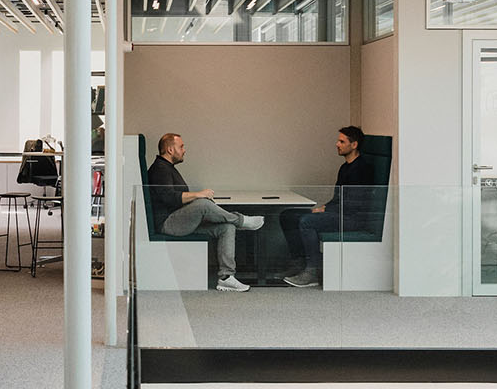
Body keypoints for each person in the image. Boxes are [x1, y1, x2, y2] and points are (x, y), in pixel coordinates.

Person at [146, 132, 263, 291]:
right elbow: (169, 197)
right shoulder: (160, 169)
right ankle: (241, 220)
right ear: (170, 150)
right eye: (181, 146)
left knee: (226, 227)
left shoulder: (168, 168)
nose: (184, 150)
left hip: (180, 221)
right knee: (203, 204)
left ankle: (226, 277)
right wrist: (198, 195)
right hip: (168, 224)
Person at [281, 125, 371, 288]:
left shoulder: (361, 169)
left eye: (342, 141)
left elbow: (354, 204)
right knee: (288, 216)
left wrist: (325, 210)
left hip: (352, 219)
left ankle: (312, 271)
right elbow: (337, 198)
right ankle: (299, 263)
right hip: (338, 213)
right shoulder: (345, 167)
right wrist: (324, 208)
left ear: (354, 145)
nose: (337, 144)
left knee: (307, 221)